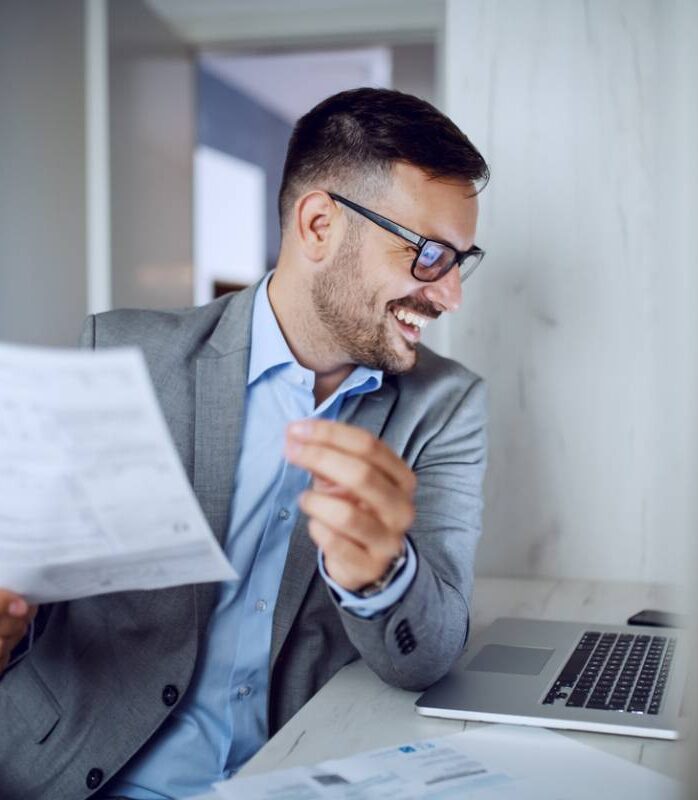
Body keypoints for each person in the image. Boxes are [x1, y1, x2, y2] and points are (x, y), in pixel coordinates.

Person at [0, 87, 489, 799]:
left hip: (288, 778)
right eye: (429, 254)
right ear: (319, 226)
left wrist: (381, 576)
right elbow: (31, 591)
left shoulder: (445, 406)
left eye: (460, 260)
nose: (450, 296)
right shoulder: (122, 354)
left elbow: (428, 655)